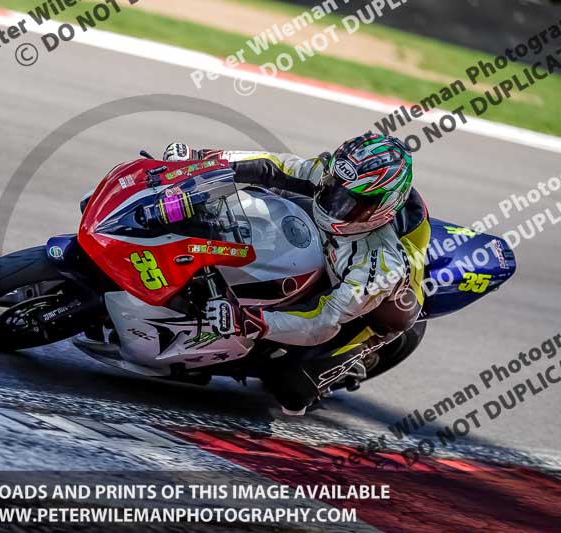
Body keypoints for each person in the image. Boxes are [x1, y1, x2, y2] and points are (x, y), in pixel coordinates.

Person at [162, 134, 431, 414]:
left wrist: (246, 321)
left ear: (382, 209)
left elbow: (323, 320)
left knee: (292, 388)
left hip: (376, 305)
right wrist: (199, 160)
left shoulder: (378, 264)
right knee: (267, 193)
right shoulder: (334, 178)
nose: (335, 204)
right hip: (336, 245)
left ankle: (359, 351)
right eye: (333, 187)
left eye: (350, 203)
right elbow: (273, 165)